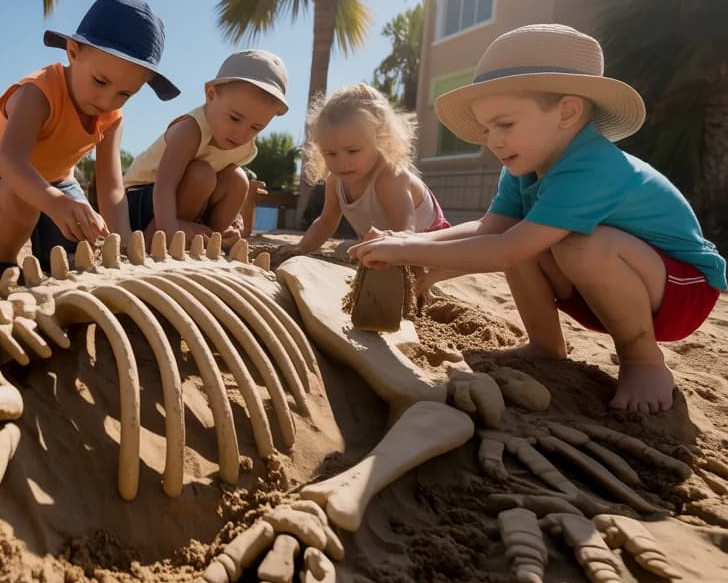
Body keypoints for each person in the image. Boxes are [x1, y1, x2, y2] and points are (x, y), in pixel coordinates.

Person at [349, 24, 725, 415]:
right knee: (533, 232)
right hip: (600, 290)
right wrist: (419, 251)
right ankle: (546, 345)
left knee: (577, 244)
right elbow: (489, 230)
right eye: (486, 128)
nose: (492, 140)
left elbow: (506, 251)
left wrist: (405, 247)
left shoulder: (592, 167)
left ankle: (643, 360)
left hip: (681, 292)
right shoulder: (522, 168)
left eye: (505, 124)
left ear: (567, 111)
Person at [0, 0, 178, 274]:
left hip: (57, 181)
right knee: (23, 200)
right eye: (100, 81)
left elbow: (111, 187)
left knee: (83, 236)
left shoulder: (112, 118)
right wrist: (55, 202)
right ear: (73, 52)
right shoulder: (38, 93)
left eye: (125, 94)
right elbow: (10, 161)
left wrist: (124, 241)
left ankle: (47, 260)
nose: (106, 101)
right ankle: (2, 265)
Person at [124, 49, 289, 246]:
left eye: (256, 128)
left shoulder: (243, 146)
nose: (242, 134)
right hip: (138, 201)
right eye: (235, 118)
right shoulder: (191, 129)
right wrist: (168, 227)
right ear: (211, 95)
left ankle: (213, 238)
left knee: (238, 179)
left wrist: (233, 217)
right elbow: (165, 185)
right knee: (201, 173)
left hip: (184, 203)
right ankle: (163, 236)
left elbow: (223, 183)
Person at [281, 83, 448, 264]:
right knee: (346, 250)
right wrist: (302, 248)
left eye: (352, 151)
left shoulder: (390, 178)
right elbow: (326, 222)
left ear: (379, 140)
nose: (342, 162)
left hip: (428, 245)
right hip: (386, 243)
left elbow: (406, 233)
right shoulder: (335, 182)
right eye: (331, 154)